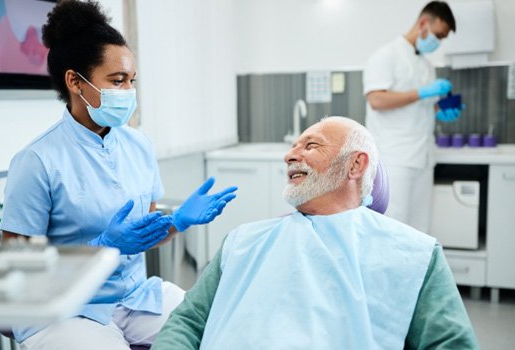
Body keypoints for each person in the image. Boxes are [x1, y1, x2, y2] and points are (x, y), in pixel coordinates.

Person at [0, 1, 237, 349]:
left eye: (131, 81)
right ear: (75, 82)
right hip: (66, 310)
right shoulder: (37, 161)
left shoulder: (138, 145)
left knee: (219, 327)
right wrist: (102, 248)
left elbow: (144, 233)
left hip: (134, 297)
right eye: (117, 80)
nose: (128, 91)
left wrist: (177, 221)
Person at [151, 117, 478, 349]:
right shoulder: (243, 241)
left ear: (355, 166)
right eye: (293, 147)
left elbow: (451, 343)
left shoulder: (415, 254)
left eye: (311, 146)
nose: (290, 155)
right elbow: (188, 322)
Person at [363, 1, 460, 233]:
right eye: (438, 35)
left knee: (419, 231)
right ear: (424, 23)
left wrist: (440, 110)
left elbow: (418, 108)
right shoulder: (385, 56)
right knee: (393, 228)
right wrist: (422, 92)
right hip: (395, 158)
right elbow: (376, 100)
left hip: (423, 158)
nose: (439, 42)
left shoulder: (427, 66)